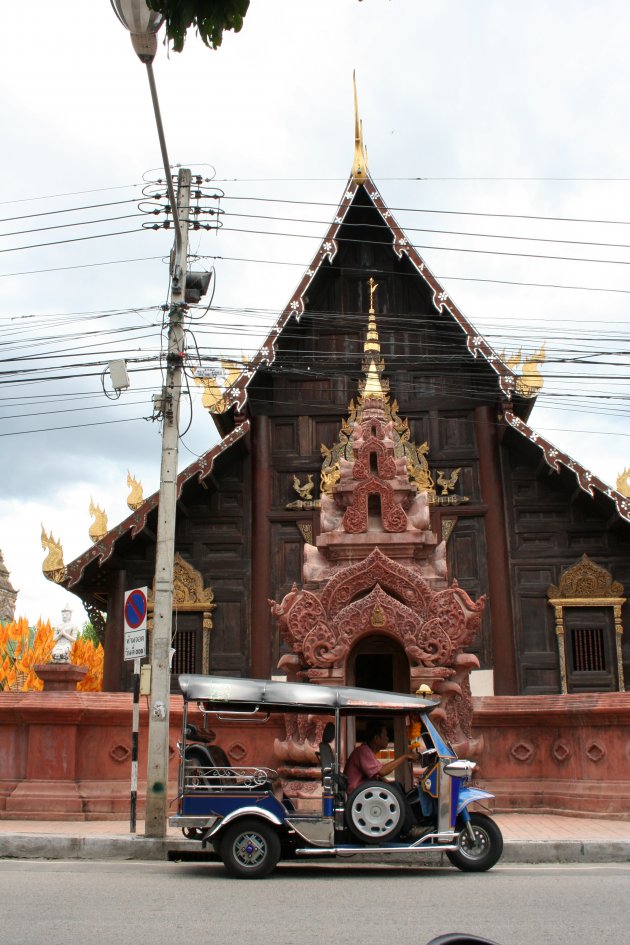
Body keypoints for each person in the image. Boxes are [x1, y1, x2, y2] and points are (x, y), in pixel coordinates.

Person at [343, 719, 416, 794]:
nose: (388, 738)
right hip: (356, 794)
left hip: (363, 792)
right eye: (386, 735)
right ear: (376, 739)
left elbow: (377, 774)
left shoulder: (367, 751)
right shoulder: (363, 751)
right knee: (396, 787)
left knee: (396, 786)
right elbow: (382, 771)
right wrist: (405, 757)